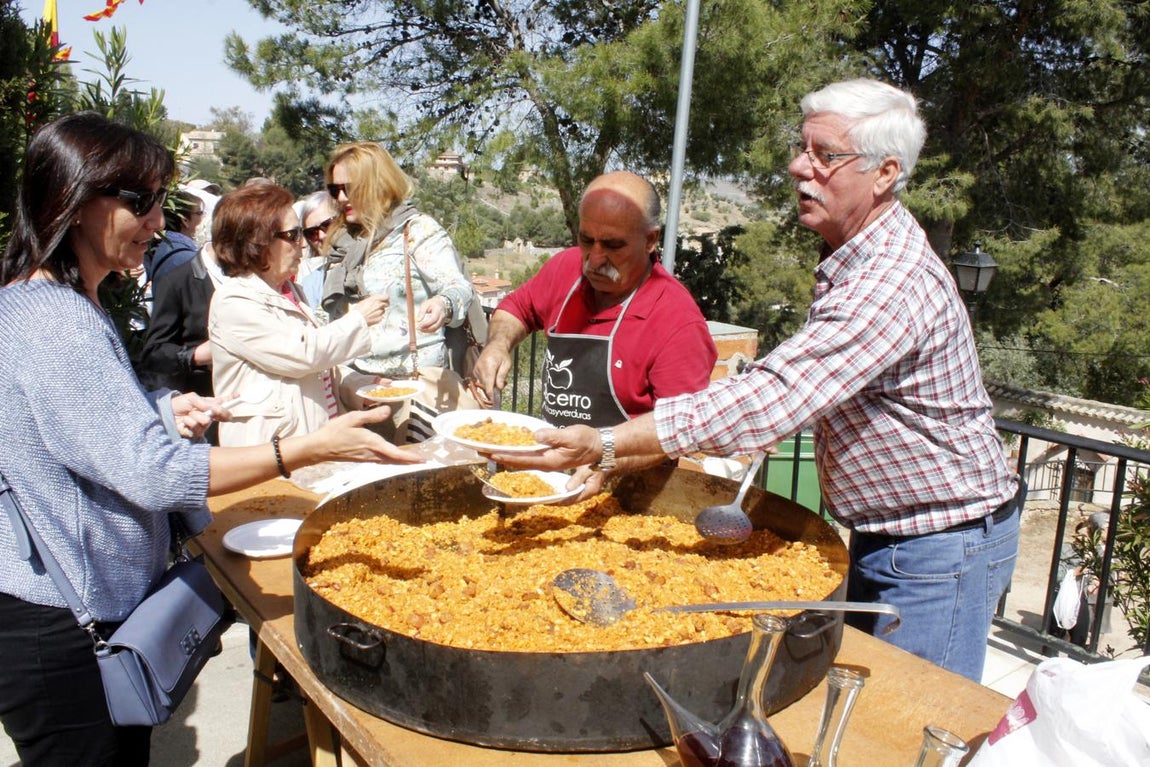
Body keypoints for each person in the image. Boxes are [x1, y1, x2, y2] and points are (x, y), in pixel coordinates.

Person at [496, 80, 1021, 683]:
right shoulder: (856, 257)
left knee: (916, 718)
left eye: (825, 155)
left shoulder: (891, 279)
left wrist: (608, 444)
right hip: (899, 535)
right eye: (803, 149)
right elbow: (810, 384)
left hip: (942, 545)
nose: (799, 166)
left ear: (884, 173)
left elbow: (777, 396)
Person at [0, 111, 419, 766]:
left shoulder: (54, 303)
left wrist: (158, 409)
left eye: (161, 201)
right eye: (140, 202)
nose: (158, 222)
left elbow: (68, 427)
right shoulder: (58, 319)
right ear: (75, 200)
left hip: (63, 615)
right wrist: (303, 448)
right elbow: (154, 474)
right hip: (64, 631)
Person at [208, 182, 392, 447]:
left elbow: (317, 370)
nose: (303, 245)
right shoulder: (233, 301)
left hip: (307, 446)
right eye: (293, 234)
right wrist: (358, 319)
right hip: (268, 456)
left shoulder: (290, 291)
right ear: (259, 242)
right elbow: (302, 355)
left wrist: (359, 386)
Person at [320, 141, 480, 440]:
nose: (341, 198)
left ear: (376, 184)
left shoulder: (415, 230)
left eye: (350, 187)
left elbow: (458, 286)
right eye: (334, 190)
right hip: (356, 391)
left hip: (415, 393)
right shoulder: (342, 242)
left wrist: (443, 304)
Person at [143, 189, 204, 283]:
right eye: (199, 213)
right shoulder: (187, 257)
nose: (203, 218)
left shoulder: (168, 246)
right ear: (185, 220)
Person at [296, 189, 337, 308]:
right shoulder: (310, 283)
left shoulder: (374, 260)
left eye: (327, 225)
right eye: (312, 232)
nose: (321, 236)